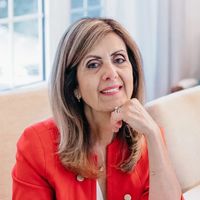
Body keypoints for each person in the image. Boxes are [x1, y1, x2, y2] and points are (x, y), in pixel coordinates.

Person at [12, 17, 184, 200]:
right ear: (73, 85)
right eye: (93, 64)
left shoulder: (148, 137)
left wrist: (153, 134)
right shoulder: (36, 145)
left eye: (119, 59)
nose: (111, 73)